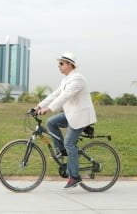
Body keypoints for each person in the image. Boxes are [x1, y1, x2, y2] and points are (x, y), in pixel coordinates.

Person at [34, 52, 97, 189]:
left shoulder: (77, 79)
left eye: (61, 63)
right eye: (59, 63)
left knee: (69, 143)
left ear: (70, 64)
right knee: (51, 122)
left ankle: (74, 177)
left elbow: (65, 96)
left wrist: (49, 109)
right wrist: (39, 106)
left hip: (80, 116)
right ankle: (62, 151)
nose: (59, 65)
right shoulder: (66, 79)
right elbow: (55, 94)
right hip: (71, 114)